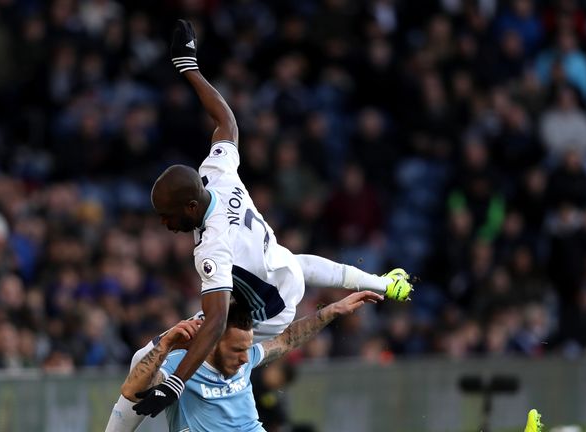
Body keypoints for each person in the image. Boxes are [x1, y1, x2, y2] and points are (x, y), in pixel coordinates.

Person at [105, 20, 412, 432]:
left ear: (192, 206)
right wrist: (189, 67)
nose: (165, 224)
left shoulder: (213, 246)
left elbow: (215, 322)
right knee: (294, 266)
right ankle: (378, 281)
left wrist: (176, 383)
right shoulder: (216, 171)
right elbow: (227, 122)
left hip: (269, 308)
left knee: (153, 358)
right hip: (279, 268)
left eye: (169, 216)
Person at [118, 291, 383, 432]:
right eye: (236, 350)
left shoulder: (246, 356)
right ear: (212, 341)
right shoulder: (180, 365)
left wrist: (333, 310)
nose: (245, 357)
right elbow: (131, 391)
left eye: (246, 348)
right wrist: (164, 344)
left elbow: (287, 338)